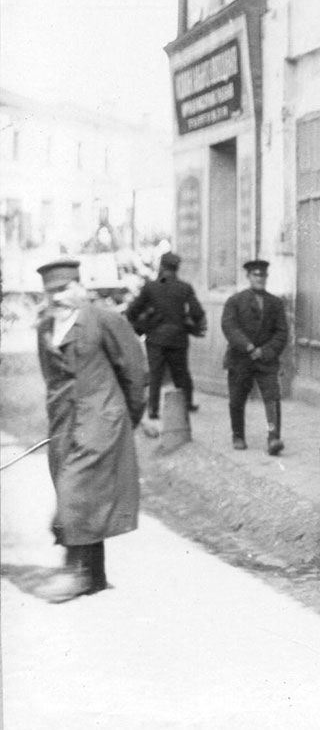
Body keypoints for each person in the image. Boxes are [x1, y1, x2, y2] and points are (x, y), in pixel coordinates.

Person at [33, 257, 147, 603]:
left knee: (76, 489)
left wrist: (127, 417)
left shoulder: (103, 320)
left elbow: (134, 370)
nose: (59, 297)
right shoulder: (44, 328)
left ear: (80, 287)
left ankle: (76, 573)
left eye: (65, 288)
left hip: (102, 419)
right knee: (80, 490)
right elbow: (51, 379)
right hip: (65, 423)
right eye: (52, 291)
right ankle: (95, 575)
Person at [125, 251, 206, 419]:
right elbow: (197, 312)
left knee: (156, 375)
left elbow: (132, 311)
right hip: (178, 338)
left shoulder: (151, 287)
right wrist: (190, 324)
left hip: (155, 338)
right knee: (182, 373)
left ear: (161, 266)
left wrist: (141, 325)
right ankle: (187, 404)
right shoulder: (184, 287)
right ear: (177, 268)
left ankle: (153, 410)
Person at [221, 259, 290, 455]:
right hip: (240, 358)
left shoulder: (275, 303)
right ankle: (238, 435)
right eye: (255, 275)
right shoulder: (235, 301)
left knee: (272, 398)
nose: (260, 279)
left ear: (266, 277)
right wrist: (248, 346)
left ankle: (273, 437)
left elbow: (281, 333)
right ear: (249, 277)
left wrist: (265, 351)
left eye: (263, 275)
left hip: (266, 360)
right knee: (237, 399)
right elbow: (229, 327)